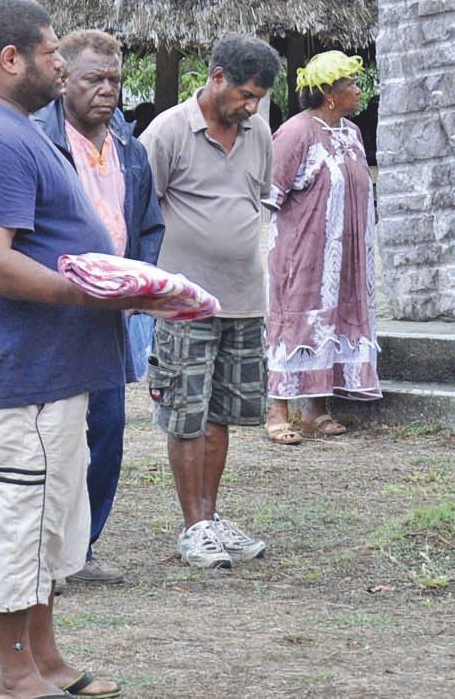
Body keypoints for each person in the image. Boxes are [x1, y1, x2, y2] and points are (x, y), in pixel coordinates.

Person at [0, 0, 133, 699]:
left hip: (49, 368)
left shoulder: (8, 127)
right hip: (25, 369)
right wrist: (89, 290)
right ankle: (16, 672)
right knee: (21, 516)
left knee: (49, 518)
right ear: (10, 57)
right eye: (52, 51)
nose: (60, 62)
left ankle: (46, 658)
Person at [140, 36, 280, 569]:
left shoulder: (258, 132)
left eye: (258, 99)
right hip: (185, 302)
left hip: (244, 301)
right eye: (244, 94)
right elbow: (141, 207)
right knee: (185, 412)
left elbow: (257, 199)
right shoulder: (169, 131)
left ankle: (211, 517)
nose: (250, 107)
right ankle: (192, 524)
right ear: (216, 77)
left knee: (221, 413)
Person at [32, 29, 163, 586]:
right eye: (93, 79)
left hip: (111, 315)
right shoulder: (37, 140)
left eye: (114, 79)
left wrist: (137, 285)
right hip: (51, 310)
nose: (106, 90)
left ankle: (81, 550)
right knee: (49, 438)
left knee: (107, 430)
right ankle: (41, 551)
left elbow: (150, 224)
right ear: (64, 80)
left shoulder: (130, 147)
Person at [262, 51, 381, 445]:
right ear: (329, 94)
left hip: (345, 257)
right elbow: (271, 194)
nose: (358, 91)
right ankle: (278, 410)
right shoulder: (295, 133)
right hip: (303, 253)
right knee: (295, 321)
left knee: (330, 324)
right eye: (351, 85)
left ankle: (315, 410)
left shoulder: (351, 132)